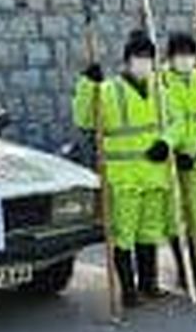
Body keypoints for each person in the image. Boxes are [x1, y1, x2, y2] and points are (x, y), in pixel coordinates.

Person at [72, 30, 175, 307]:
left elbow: (176, 122)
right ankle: (129, 292)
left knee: (149, 231)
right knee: (124, 235)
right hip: (124, 176)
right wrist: (86, 84)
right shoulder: (107, 90)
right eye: (138, 57)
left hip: (154, 174)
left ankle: (149, 284)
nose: (144, 62)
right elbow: (84, 120)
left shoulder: (160, 89)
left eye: (148, 58)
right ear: (127, 60)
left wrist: (167, 142)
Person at [164, 31, 196, 293]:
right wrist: (174, 150)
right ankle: (184, 271)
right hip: (173, 163)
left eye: (189, 54)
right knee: (177, 218)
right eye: (179, 54)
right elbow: (167, 120)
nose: (185, 59)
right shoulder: (161, 81)